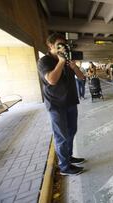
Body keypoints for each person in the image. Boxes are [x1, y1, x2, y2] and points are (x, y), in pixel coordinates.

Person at [37, 33, 86, 176]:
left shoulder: (67, 59)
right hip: (56, 105)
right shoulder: (44, 61)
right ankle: (64, 167)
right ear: (51, 45)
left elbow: (82, 78)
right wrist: (60, 62)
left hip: (71, 102)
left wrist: (74, 67)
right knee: (61, 137)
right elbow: (51, 80)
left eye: (64, 45)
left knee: (71, 132)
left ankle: (69, 157)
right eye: (59, 44)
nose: (63, 47)